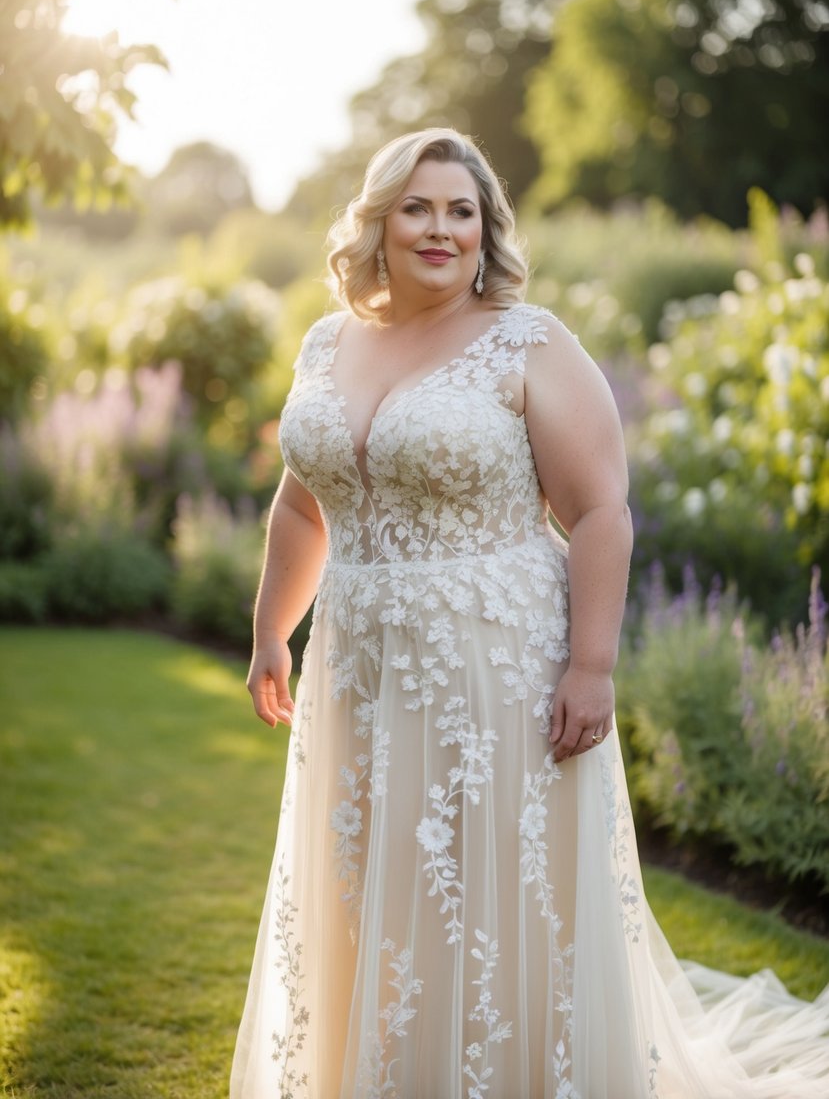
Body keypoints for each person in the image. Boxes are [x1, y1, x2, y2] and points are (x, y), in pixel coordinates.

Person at [230, 129, 829, 1099]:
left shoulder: (529, 341)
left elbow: (598, 510)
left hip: (494, 660)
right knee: (369, 877)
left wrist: (590, 665)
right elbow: (305, 503)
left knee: (490, 889)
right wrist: (272, 629)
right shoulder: (329, 340)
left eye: (460, 210)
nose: (439, 228)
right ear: (378, 223)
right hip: (361, 666)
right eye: (417, 207)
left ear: (486, 229)